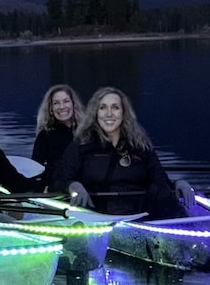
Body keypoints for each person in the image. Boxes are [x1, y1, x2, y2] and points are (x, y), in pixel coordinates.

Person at [48, 86, 183, 219]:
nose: (109, 114)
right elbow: (57, 182)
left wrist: (179, 183)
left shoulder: (140, 146)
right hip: (95, 217)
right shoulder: (81, 145)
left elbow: (160, 180)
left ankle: (186, 224)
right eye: (103, 108)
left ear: (123, 113)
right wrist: (72, 185)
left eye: (115, 107)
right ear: (95, 113)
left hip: (139, 217)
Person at [30, 84, 81, 185]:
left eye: (66, 101)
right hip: (57, 186)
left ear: (73, 104)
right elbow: (35, 168)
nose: (62, 107)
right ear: (51, 109)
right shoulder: (45, 135)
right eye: (56, 103)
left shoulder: (86, 132)